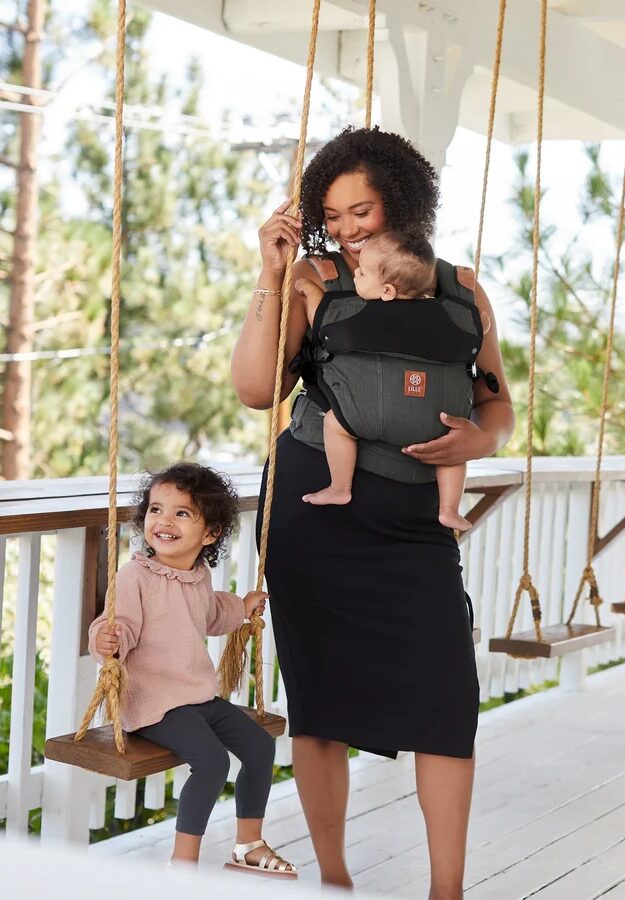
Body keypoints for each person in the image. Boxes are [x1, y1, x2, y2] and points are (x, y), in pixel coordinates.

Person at [232, 127, 514, 900]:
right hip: (314, 510)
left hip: (417, 522)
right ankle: (334, 880)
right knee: (320, 704)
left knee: (447, 700)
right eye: (334, 215)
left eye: (362, 210)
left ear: (403, 199)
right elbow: (256, 389)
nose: (349, 228)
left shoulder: (461, 289)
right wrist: (270, 271)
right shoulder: (312, 278)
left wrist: (480, 439)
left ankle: (447, 891)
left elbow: (496, 404)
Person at [88, 462, 296, 877]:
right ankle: (182, 865)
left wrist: (242, 606)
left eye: (181, 513)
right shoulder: (135, 577)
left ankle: (248, 845)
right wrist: (106, 640)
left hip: (197, 696)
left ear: (210, 533)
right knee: (213, 762)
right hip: (155, 702)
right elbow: (118, 624)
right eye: (156, 510)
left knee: (260, 746)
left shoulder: (198, 575)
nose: (164, 521)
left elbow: (210, 614)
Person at [295, 229, 492, 531]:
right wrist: (482, 322)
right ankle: (449, 509)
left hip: (365, 416)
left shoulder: (359, 313)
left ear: (387, 292)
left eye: (362, 273)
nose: (356, 273)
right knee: (452, 455)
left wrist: (309, 290)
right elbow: (481, 326)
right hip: (438, 421)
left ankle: (339, 487)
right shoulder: (450, 316)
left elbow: (321, 318)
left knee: (335, 424)